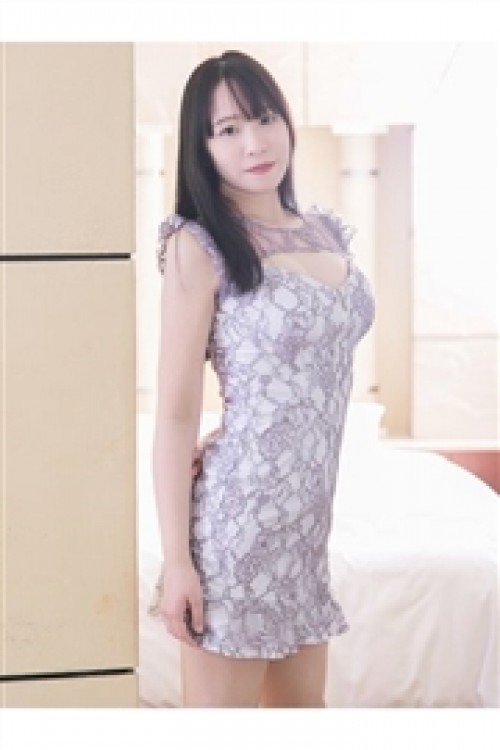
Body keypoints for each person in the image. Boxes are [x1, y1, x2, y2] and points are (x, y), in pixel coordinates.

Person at [150, 50, 375, 708]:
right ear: (202, 148)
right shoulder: (200, 245)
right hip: (237, 530)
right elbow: (173, 414)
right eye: (228, 130)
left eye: (265, 118)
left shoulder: (326, 233)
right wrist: (178, 562)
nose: (254, 143)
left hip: (306, 532)